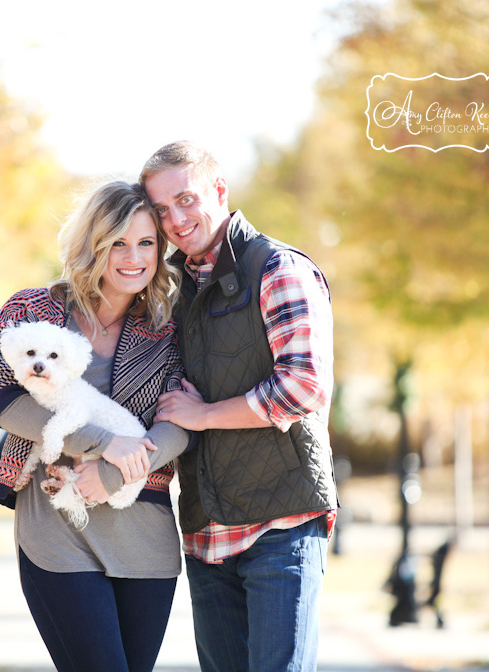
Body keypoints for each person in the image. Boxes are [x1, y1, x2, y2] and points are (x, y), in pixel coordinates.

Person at [0, 179, 191, 672]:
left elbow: (179, 423)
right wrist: (101, 441)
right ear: (92, 242)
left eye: (146, 243)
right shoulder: (30, 311)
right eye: (117, 241)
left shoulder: (169, 331)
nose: (133, 256)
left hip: (144, 530)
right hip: (55, 526)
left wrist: (114, 472)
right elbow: (1, 396)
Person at [142, 140, 338, 672]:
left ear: (220, 191)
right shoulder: (173, 291)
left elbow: (304, 386)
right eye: (161, 210)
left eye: (186, 199)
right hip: (206, 532)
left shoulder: (277, 269)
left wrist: (204, 415)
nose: (176, 220)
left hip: (282, 526)